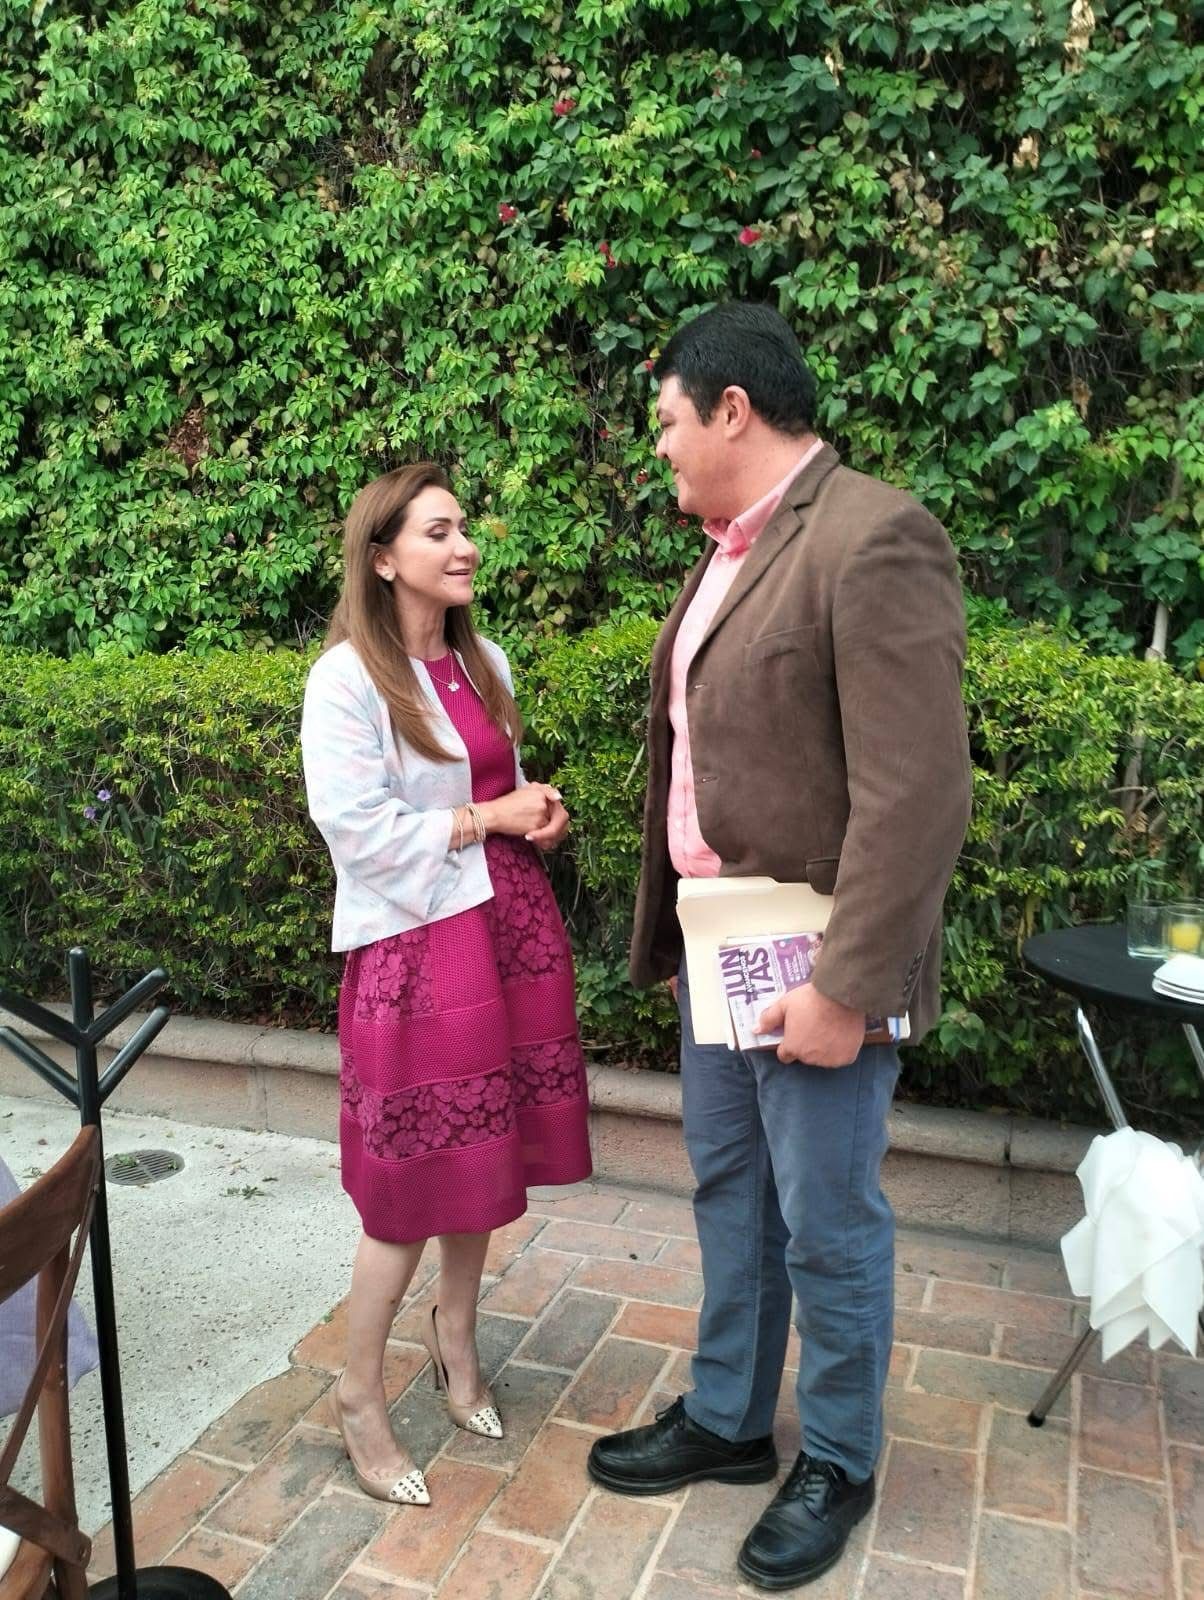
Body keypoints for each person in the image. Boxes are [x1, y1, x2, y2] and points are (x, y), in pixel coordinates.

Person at [588, 303, 972, 1589]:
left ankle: (840, 1457)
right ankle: (730, 1419)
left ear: (731, 409)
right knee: (731, 1194)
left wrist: (845, 988)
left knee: (825, 1219)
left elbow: (918, 794)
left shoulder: (873, 535)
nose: (660, 446)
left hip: (815, 965)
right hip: (722, 949)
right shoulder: (728, 550)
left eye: (666, 421)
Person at [301, 463, 592, 1507]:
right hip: (417, 951)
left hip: (507, 930)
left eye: (463, 527)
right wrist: (488, 819)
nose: (464, 545)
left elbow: (497, 790)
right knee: (409, 1188)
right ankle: (358, 1391)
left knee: (485, 1155)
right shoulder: (346, 680)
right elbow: (357, 831)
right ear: (383, 558)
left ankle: (455, 1337)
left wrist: (532, 812)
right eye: (438, 531)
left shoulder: (484, 661)